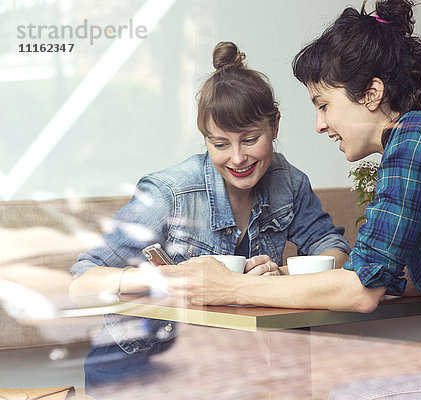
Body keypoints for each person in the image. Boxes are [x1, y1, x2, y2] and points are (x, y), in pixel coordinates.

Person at [166, 1, 421, 398]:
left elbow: (361, 290)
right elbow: (420, 265)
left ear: (372, 93)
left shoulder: (416, 139)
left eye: (323, 104)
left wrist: (228, 289)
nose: (320, 124)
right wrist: (285, 278)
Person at [68, 41, 351, 393]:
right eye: (220, 145)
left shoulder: (288, 183)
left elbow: (334, 248)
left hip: (217, 371)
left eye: (250, 139)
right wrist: (163, 283)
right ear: (205, 139)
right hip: (132, 371)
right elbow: (81, 281)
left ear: (274, 126)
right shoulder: (170, 193)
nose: (237, 158)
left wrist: (281, 275)